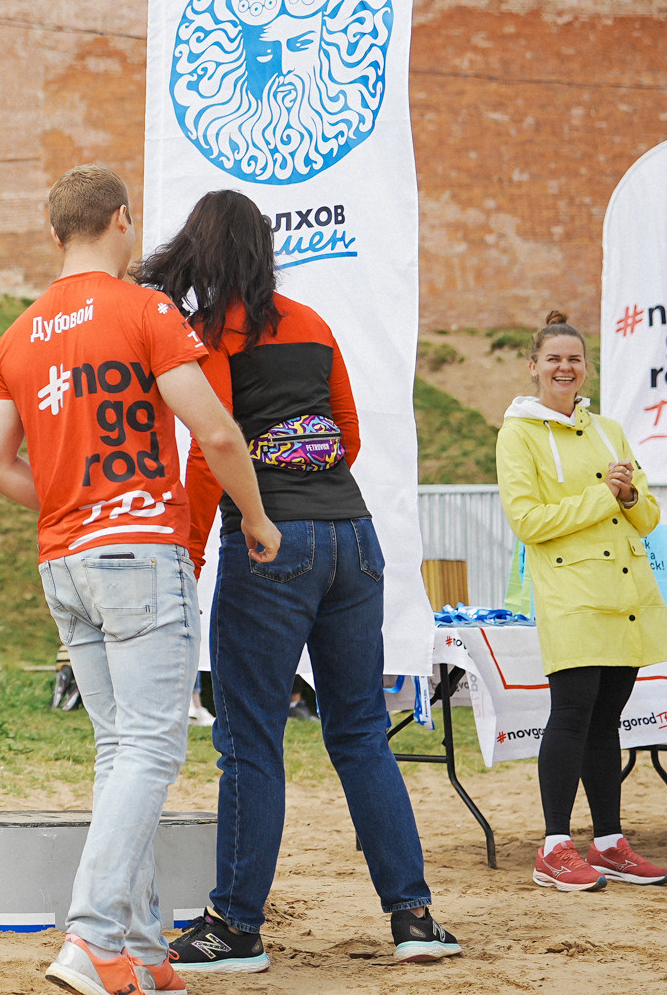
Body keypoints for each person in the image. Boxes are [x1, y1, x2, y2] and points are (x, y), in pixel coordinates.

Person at [135, 190, 462, 971]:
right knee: (359, 738)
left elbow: (214, 449)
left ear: (202, 252)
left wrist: (189, 550)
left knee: (251, 741)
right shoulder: (313, 323)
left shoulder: (207, 335)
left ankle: (236, 927)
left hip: (271, 544)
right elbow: (343, 434)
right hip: (355, 540)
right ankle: (414, 918)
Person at [0, 164, 281, 995]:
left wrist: (72, 498)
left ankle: (141, 950)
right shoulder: (146, 309)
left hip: (64, 558)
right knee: (149, 747)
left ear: (54, 233)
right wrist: (255, 518)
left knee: (121, 750)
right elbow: (216, 432)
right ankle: (92, 936)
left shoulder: (19, 334)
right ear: (120, 220)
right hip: (140, 550)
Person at [499, 311, 667, 892]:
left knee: (608, 720)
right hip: (571, 594)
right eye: (553, 358)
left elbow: (648, 516)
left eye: (574, 359)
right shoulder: (518, 434)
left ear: (586, 367)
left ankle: (608, 842)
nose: (564, 367)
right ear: (533, 367)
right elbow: (528, 522)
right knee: (572, 713)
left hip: (626, 593)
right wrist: (604, 496)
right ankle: (554, 847)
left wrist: (627, 495)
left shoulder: (609, 429)